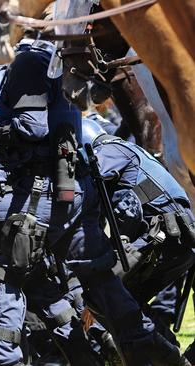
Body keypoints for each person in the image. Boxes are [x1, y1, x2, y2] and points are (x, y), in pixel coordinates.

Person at [0, 34, 190, 364]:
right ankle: (156, 355)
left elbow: (33, 130)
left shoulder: (106, 153)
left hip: (161, 235)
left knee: (9, 287)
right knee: (103, 290)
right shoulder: (62, 93)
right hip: (158, 231)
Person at [81, 117, 195, 343]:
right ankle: (169, 354)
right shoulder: (128, 149)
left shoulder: (109, 152)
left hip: (163, 238)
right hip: (175, 241)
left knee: (107, 298)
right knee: (129, 304)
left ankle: (165, 356)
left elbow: (82, 189)